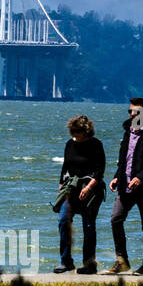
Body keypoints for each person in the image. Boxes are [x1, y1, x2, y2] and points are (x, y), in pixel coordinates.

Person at [105, 97, 143, 276]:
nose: (131, 114)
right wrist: (116, 177)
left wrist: (140, 178)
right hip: (125, 186)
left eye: (135, 112)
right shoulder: (127, 133)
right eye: (130, 111)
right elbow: (124, 160)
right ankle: (122, 262)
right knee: (116, 219)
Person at [54, 115, 106, 274]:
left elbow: (100, 170)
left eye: (78, 131)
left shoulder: (96, 145)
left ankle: (89, 265)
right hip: (71, 189)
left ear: (86, 130)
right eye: (73, 131)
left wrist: (89, 188)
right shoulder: (69, 144)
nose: (75, 134)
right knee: (63, 221)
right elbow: (65, 167)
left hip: (91, 190)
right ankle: (66, 262)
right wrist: (61, 186)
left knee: (88, 226)